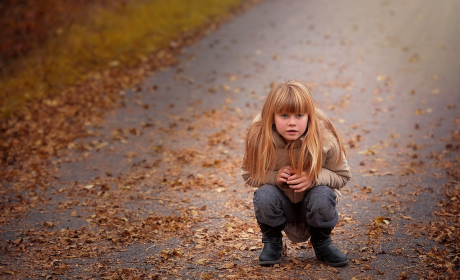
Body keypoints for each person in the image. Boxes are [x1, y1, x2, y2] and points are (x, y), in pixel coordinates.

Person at [241, 80, 351, 267]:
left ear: (309, 116)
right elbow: (249, 175)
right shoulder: (260, 138)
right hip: (283, 205)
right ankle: (272, 242)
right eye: (284, 115)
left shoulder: (324, 137)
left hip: (313, 203)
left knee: (323, 194)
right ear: (272, 116)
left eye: (299, 115)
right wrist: (273, 176)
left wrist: (313, 177)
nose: (292, 122)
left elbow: (342, 176)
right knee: (264, 194)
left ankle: (322, 242)